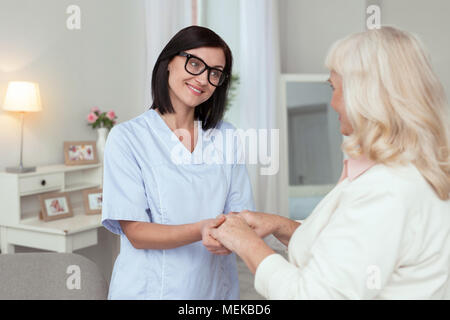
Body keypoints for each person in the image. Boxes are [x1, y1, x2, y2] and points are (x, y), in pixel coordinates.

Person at [210, 26, 450, 299]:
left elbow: (313, 294)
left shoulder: (388, 189)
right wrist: (280, 225)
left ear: (366, 96)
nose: (332, 102)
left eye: (334, 88)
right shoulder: (398, 173)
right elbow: (345, 250)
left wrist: (246, 243)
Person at [101, 26, 254, 299]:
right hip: (148, 291)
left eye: (215, 72)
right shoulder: (127, 138)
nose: (203, 79)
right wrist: (202, 229)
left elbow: (240, 215)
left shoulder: (227, 136)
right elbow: (136, 232)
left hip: (212, 290)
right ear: (168, 62)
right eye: (194, 63)